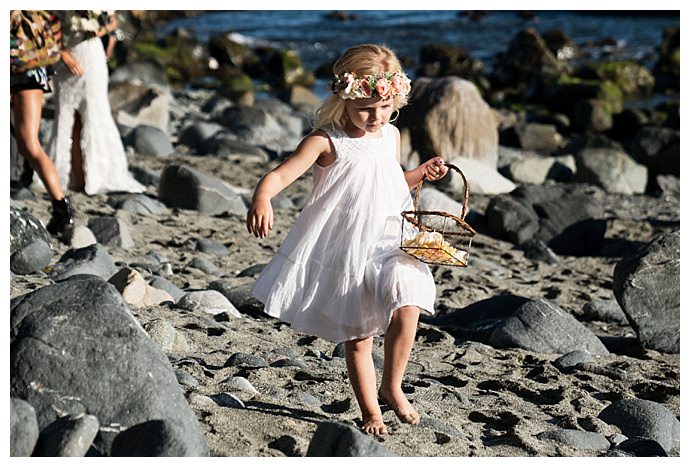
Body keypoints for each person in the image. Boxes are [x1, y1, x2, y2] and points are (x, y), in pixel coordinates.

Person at [246, 44, 449, 435]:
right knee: (359, 336)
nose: (375, 117)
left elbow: (389, 182)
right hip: (349, 248)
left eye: (384, 107)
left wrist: (420, 173)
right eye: (364, 108)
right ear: (344, 97)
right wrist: (262, 196)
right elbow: (281, 175)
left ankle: (392, 384)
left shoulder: (390, 134)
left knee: (409, 307)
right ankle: (371, 410)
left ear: (395, 100)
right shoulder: (326, 141)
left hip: (391, 239)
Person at [47, 10, 144, 195]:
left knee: (95, 113)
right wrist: (61, 53)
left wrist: (104, 31)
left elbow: (111, 24)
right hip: (65, 57)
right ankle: (72, 177)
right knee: (66, 118)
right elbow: (46, 25)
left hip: (91, 56)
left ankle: (94, 174)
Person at [10, 10, 74, 241]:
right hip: (30, 70)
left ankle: (62, 208)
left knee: (29, 143)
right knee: (27, 142)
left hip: (22, 69)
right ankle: (61, 208)